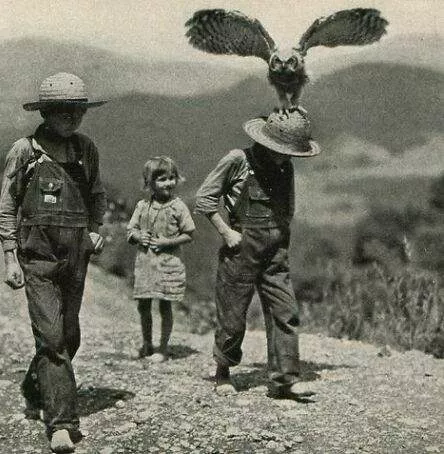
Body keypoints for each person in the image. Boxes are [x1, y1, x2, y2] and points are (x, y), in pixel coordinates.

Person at [0, 72, 107, 453]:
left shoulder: (86, 149)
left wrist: (94, 230)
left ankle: (33, 384)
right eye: (62, 111)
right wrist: (10, 256)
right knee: (52, 336)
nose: (71, 118)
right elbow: (7, 206)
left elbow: (97, 196)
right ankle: (61, 424)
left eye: (77, 111)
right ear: (45, 112)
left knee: (69, 336)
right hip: (37, 257)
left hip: (76, 255)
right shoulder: (25, 151)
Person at [194, 109, 320, 399]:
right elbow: (205, 198)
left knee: (285, 312)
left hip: (276, 252)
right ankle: (223, 371)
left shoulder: (285, 168)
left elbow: (287, 207)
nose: (287, 157)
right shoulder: (238, 160)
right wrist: (226, 232)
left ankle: (285, 380)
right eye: (283, 151)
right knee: (233, 316)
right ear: (266, 142)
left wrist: (281, 237)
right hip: (240, 250)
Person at [126, 156, 195, 361]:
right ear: (150, 183)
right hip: (146, 263)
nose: (169, 183)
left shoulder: (178, 207)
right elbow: (130, 230)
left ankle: (162, 348)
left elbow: (189, 234)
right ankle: (147, 344)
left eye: (172, 178)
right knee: (143, 305)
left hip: (168, 264)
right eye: (162, 179)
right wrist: (139, 236)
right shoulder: (142, 206)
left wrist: (166, 242)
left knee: (165, 305)